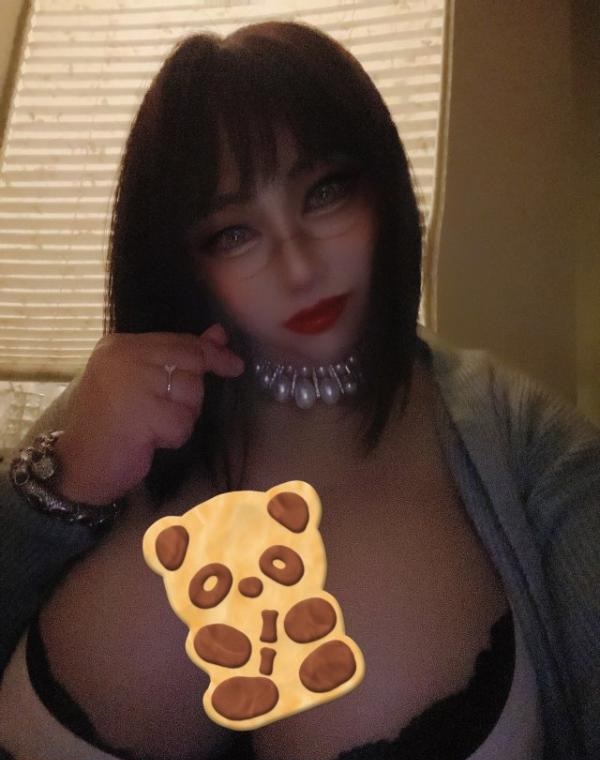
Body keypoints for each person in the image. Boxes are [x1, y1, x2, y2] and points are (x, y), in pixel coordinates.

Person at [0, 19, 598, 760]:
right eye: (234, 233)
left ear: (381, 187)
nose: (299, 267)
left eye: (324, 193)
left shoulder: (524, 440)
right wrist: (65, 483)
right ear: (184, 261)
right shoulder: (120, 406)